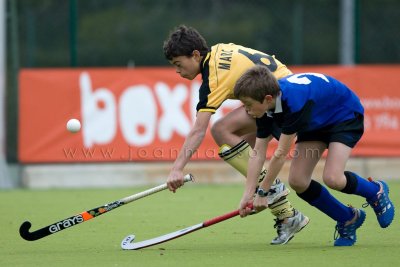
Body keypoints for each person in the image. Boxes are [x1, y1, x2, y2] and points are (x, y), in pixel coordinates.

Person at [163, 25, 309, 245]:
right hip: (283, 89)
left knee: (221, 130)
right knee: (242, 148)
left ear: (195, 55)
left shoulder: (213, 78)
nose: (178, 71)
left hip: (278, 99)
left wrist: (177, 169)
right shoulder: (219, 49)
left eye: (178, 64)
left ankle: (277, 198)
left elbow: (198, 129)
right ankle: (284, 211)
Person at [234, 65, 395, 246]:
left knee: (333, 178)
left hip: (344, 115)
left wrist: (263, 192)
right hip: (316, 122)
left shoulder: (293, 103)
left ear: (267, 98)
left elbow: (280, 154)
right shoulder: (264, 108)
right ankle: (348, 218)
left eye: (248, 105)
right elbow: (258, 153)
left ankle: (375, 191)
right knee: (298, 181)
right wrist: (248, 194)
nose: (247, 111)